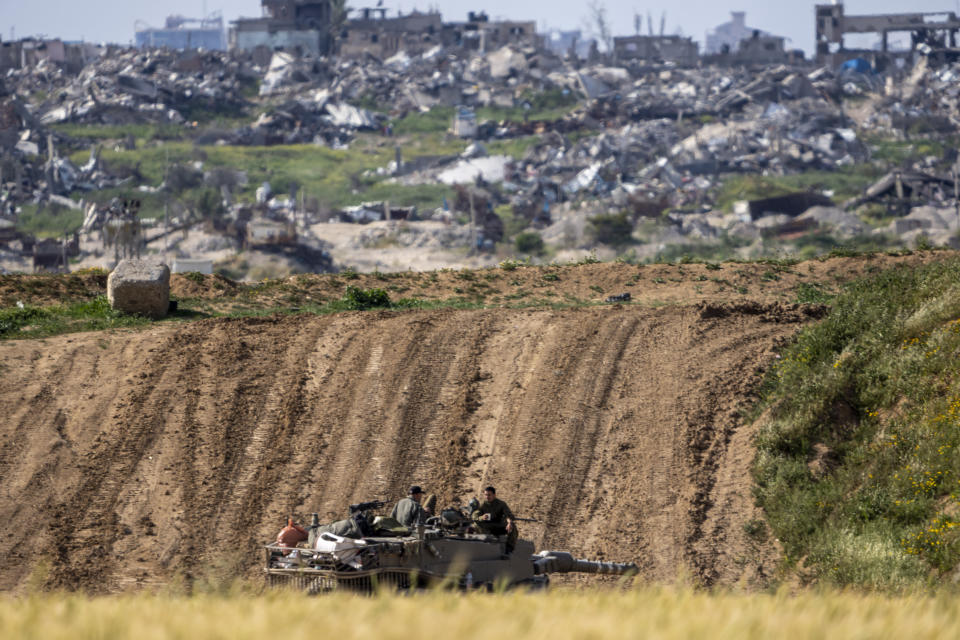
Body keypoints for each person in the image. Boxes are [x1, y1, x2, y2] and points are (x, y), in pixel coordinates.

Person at [471, 486, 517, 554]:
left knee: (512, 526)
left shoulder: (501, 504)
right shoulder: (483, 504)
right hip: (487, 527)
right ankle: (482, 543)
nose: (487, 497)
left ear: (494, 495)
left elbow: (508, 515)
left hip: (499, 527)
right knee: (475, 524)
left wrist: (509, 522)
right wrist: (481, 517)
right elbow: (474, 515)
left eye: (489, 495)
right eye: (486, 495)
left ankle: (509, 548)